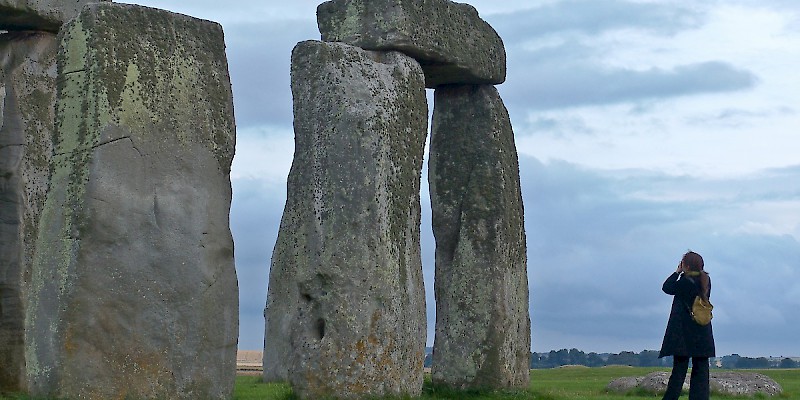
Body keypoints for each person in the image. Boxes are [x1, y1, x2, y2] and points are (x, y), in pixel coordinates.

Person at [658, 250, 715, 400]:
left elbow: (667, 287)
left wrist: (677, 272)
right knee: (701, 372)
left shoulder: (684, 282)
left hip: (683, 333)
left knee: (679, 371)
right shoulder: (706, 281)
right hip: (702, 331)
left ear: (686, 266)